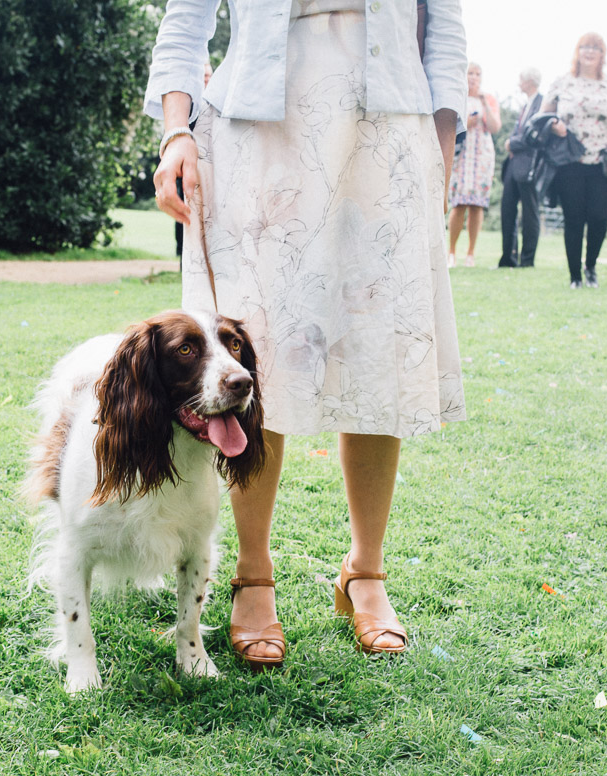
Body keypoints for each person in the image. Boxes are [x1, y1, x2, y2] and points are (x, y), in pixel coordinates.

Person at [146, 0, 467, 666]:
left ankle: (366, 572)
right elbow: (185, 18)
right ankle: (253, 573)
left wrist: (440, 141)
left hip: (389, 132)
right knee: (257, 354)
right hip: (257, 135)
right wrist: (176, 130)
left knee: (375, 346)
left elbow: (445, 24)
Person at [542, 33, 607, 288]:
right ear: (577, 51)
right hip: (569, 159)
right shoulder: (562, 83)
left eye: (595, 47)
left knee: (599, 217)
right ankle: (575, 276)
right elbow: (541, 119)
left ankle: (590, 265)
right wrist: (554, 124)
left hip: (603, 160)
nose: (590, 51)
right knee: (574, 218)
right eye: (585, 46)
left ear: (602, 54)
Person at [448, 63, 500, 268]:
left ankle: (471, 253)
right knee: (459, 203)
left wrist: (485, 104)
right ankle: (451, 251)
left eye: (478, 74)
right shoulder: (458, 96)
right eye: (470, 73)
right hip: (462, 156)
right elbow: (454, 127)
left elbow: (495, 127)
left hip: (482, 157)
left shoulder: (489, 99)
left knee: (477, 205)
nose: (474, 77)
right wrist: (469, 121)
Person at [498, 67, 543, 268]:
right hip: (513, 165)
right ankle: (508, 258)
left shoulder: (542, 104)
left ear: (529, 82)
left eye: (520, 80)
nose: (518, 83)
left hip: (530, 165)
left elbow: (535, 135)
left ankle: (527, 260)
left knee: (529, 213)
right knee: (507, 209)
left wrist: (511, 143)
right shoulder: (525, 105)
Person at [174, 61, 213, 268]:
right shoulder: (186, 107)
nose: (206, 78)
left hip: (207, 171)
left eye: (209, 75)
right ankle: (183, 259)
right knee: (183, 212)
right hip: (185, 170)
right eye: (203, 75)